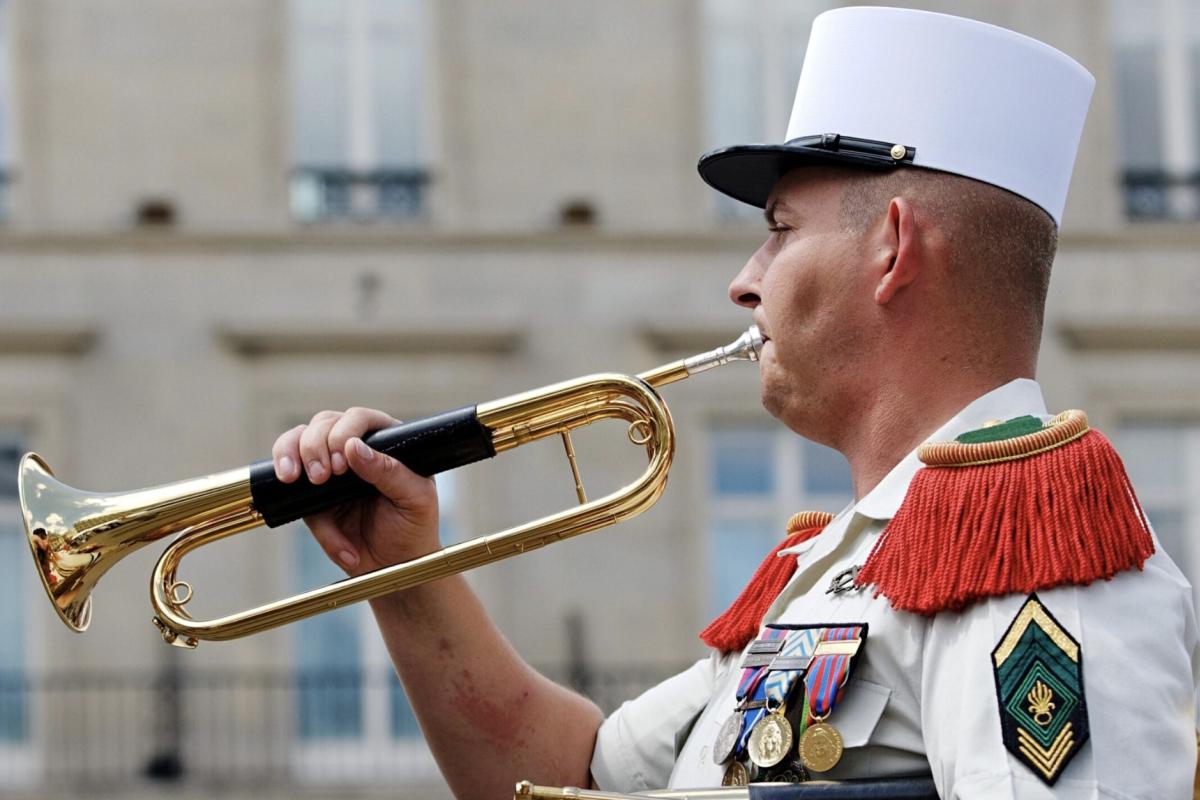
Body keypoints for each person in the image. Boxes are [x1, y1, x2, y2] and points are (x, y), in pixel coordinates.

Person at [271, 7, 1199, 799]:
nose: (744, 284)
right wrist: (401, 571)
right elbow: (573, 778)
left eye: (779, 232)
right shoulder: (845, 565)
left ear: (895, 248)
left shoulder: (1025, 551)